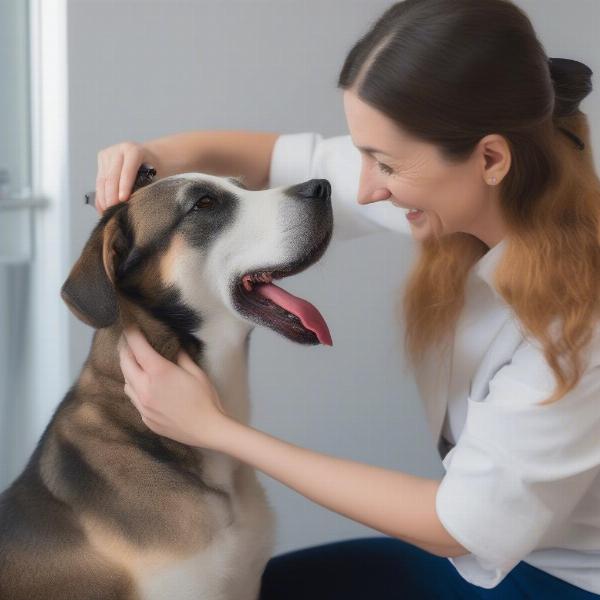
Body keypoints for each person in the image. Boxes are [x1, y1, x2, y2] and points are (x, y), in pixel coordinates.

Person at [97, 0, 600, 597]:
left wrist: (217, 430)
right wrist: (157, 153)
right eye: (362, 152)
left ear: (490, 158)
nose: (363, 188)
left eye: (383, 163)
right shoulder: (479, 190)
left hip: (558, 582)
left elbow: (455, 526)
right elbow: (285, 159)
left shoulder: (578, 325)